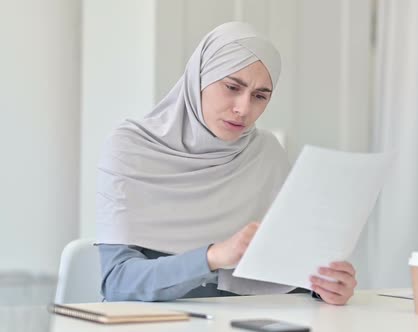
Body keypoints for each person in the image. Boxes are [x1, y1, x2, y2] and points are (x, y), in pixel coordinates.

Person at [95, 22, 357, 305]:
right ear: (199, 78)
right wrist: (213, 256)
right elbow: (117, 282)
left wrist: (323, 285)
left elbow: (291, 272)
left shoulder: (266, 153)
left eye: (259, 96)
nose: (243, 109)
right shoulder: (132, 147)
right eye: (232, 87)